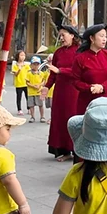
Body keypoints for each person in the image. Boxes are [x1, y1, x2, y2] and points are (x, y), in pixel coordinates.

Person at [45, 25, 81, 161]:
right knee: (59, 119)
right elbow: (52, 74)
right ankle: (62, 149)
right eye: (60, 35)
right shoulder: (58, 53)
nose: (61, 38)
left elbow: (77, 72)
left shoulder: (78, 52)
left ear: (72, 35)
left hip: (73, 91)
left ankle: (74, 149)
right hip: (59, 91)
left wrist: (61, 71)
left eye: (63, 35)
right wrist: (47, 86)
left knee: (71, 118)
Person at [70, 24, 107, 115]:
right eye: (101, 36)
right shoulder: (80, 58)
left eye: (105, 36)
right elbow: (75, 81)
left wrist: (102, 87)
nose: (104, 39)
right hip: (87, 102)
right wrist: (90, 88)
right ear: (92, 38)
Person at [26, 57, 46, 123]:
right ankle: (32, 116)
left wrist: (40, 85)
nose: (35, 66)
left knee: (40, 105)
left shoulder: (41, 73)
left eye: (37, 64)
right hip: (31, 92)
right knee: (31, 105)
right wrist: (33, 86)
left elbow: (44, 81)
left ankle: (42, 116)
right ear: (31, 65)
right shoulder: (28, 73)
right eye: (34, 64)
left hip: (38, 91)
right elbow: (27, 82)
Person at [12, 51, 30, 115]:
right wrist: (19, 69)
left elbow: (29, 73)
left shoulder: (26, 65)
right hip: (19, 84)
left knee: (27, 97)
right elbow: (15, 74)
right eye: (21, 55)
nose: (23, 57)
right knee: (19, 97)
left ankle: (29, 108)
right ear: (18, 56)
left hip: (26, 84)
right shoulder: (15, 65)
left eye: (24, 55)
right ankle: (19, 109)